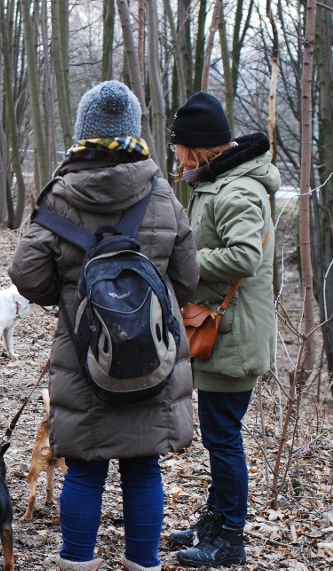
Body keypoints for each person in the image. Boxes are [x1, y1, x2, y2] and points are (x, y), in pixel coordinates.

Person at [8, 80, 198, 571]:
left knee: (86, 470)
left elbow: (26, 274)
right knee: (142, 469)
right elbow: (188, 277)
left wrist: (71, 301)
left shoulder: (60, 195)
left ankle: (75, 563)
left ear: (82, 133)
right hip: (153, 356)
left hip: (85, 352)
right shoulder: (161, 195)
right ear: (132, 131)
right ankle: (144, 564)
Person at [166, 92, 278, 568]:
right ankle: (215, 519)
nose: (174, 154)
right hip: (220, 330)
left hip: (234, 333)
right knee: (219, 433)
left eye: (178, 146)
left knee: (224, 436)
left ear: (195, 148)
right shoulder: (217, 184)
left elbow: (245, 257)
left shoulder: (237, 190)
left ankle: (230, 536)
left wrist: (185, 263)